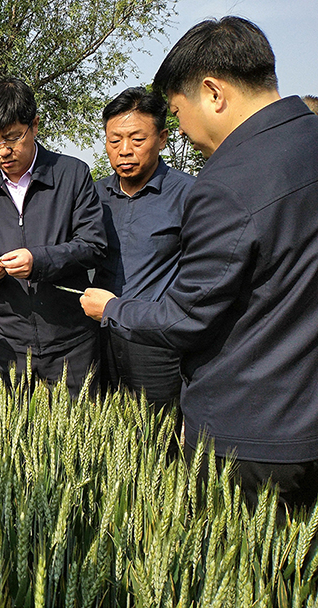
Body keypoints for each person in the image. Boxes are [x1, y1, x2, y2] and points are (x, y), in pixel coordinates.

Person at [81, 17, 318, 513]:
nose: (185, 132)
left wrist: (113, 309)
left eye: (176, 112)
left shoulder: (225, 183)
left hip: (250, 436)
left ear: (213, 93)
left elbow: (187, 316)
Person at [0, 77, 106, 398]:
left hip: (70, 341)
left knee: (77, 427)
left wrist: (38, 261)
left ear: (35, 125)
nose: (3, 151)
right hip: (7, 345)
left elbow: (93, 245)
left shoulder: (72, 175)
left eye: (13, 137)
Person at [95, 87, 195, 417]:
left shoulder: (189, 195)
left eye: (137, 140)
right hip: (98, 338)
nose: (124, 151)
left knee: (155, 440)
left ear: (162, 138)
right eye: (114, 141)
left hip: (155, 346)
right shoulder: (93, 196)